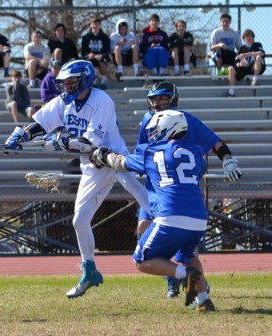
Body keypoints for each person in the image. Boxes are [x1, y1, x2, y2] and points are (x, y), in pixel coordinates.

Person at [4, 60, 150, 299]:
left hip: (115, 158)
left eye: (71, 82)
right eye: (64, 83)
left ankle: (175, 260)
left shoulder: (101, 101)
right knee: (79, 221)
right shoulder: (64, 102)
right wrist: (23, 134)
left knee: (151, 207)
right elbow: (41, 123)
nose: (67, 87)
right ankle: (90, 270)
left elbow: (91, 143)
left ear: (84, 79)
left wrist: (61, 142)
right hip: (93, 167)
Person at [89, 110, 215, 312]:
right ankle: (203, 300)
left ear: (169, 128)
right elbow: (200, 169)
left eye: (157, 130)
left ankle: (185, 275)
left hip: (171, 215)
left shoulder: (152, 151)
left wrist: (104, 156)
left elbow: (122, 163)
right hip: (199, 217)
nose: (154, 134)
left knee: (142, 260)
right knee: (188, 254)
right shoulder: (197, 150)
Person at [136, 81, 242, 298]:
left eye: (163, 98)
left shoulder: (185, 119)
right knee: (144, 226)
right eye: (155, 98)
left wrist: (227, 157)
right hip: (156, 185)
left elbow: (212, 140)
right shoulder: (148, 120)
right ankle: (177, 278)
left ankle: (188, 279)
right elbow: (141, 151)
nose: (158, 102)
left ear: (173, 100)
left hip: (178, 189)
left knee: (178, 235)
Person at [226, 29, 265, 97]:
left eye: (250, 36)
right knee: (230, 68)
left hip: (255, 67)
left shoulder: (257, 44)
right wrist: (239, 64)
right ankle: (231, 92)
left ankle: (255, 80)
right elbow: (236, 61)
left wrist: (248, 54)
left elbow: (262, 53)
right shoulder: (241, 48)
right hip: (244, 68)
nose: (248, 38)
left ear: (253, 37)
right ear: (244, 39)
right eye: (246, 37)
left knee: (258, 57)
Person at [81, 16, 111, 89]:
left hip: (101, 58)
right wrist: (88, 55)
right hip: (90, 59)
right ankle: (93, 81)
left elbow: (108, 51)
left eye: (97, 24)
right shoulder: (85, 37)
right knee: (90, 64)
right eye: (93, 24)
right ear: (91, 25)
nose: (95, 26)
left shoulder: (105, 37)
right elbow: (83, 52)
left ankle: (103, 82)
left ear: (100, 25)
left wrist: (102, 56)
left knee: (103, 63)